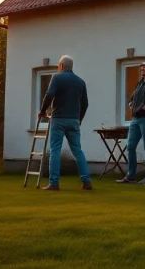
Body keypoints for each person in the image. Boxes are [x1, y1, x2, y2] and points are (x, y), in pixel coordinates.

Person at [38, 55, 92, 191]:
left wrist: (42, 111)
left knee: (55, 150)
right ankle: (86, 181)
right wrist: (80, 119)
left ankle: (54, 183)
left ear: (61, 66)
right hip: (74, 120)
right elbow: (85, 103)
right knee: (78, 151)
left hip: (59, 119)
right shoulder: (80, 82)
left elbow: (49, 94)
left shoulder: (57, 78)